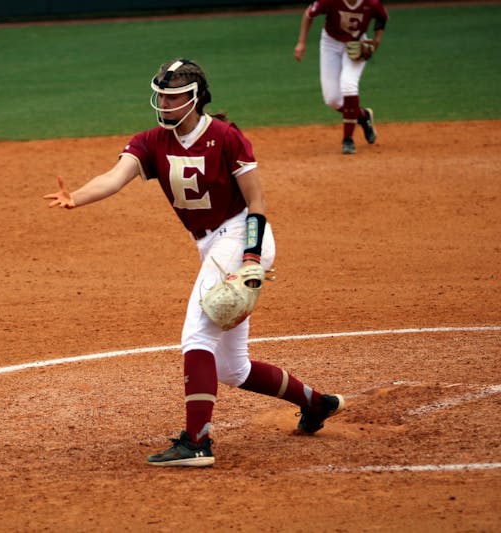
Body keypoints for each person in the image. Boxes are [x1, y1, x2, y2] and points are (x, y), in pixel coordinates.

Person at [43, 58, 344, 467]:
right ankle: (318, 404)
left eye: (174, 97)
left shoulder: (226, 137)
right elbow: (115, 177)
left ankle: (196, 442)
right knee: (232, 369)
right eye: (161, 96)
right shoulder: (150, 142)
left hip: (240, 238)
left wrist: (252, 258)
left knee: (196, 335)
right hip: (211, 246)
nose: (165, 104)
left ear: (197, 98)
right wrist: (77, 196)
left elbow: (256, 203)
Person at [294, 0, 389, 154]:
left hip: (356, 44)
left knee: (349, 84)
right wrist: (301, 42)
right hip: (330, 44)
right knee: (332, 100)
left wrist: (376, 41)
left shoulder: (371, 3)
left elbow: (382, 17)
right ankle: (363, 116)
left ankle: (348, 140)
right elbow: (308, 14)